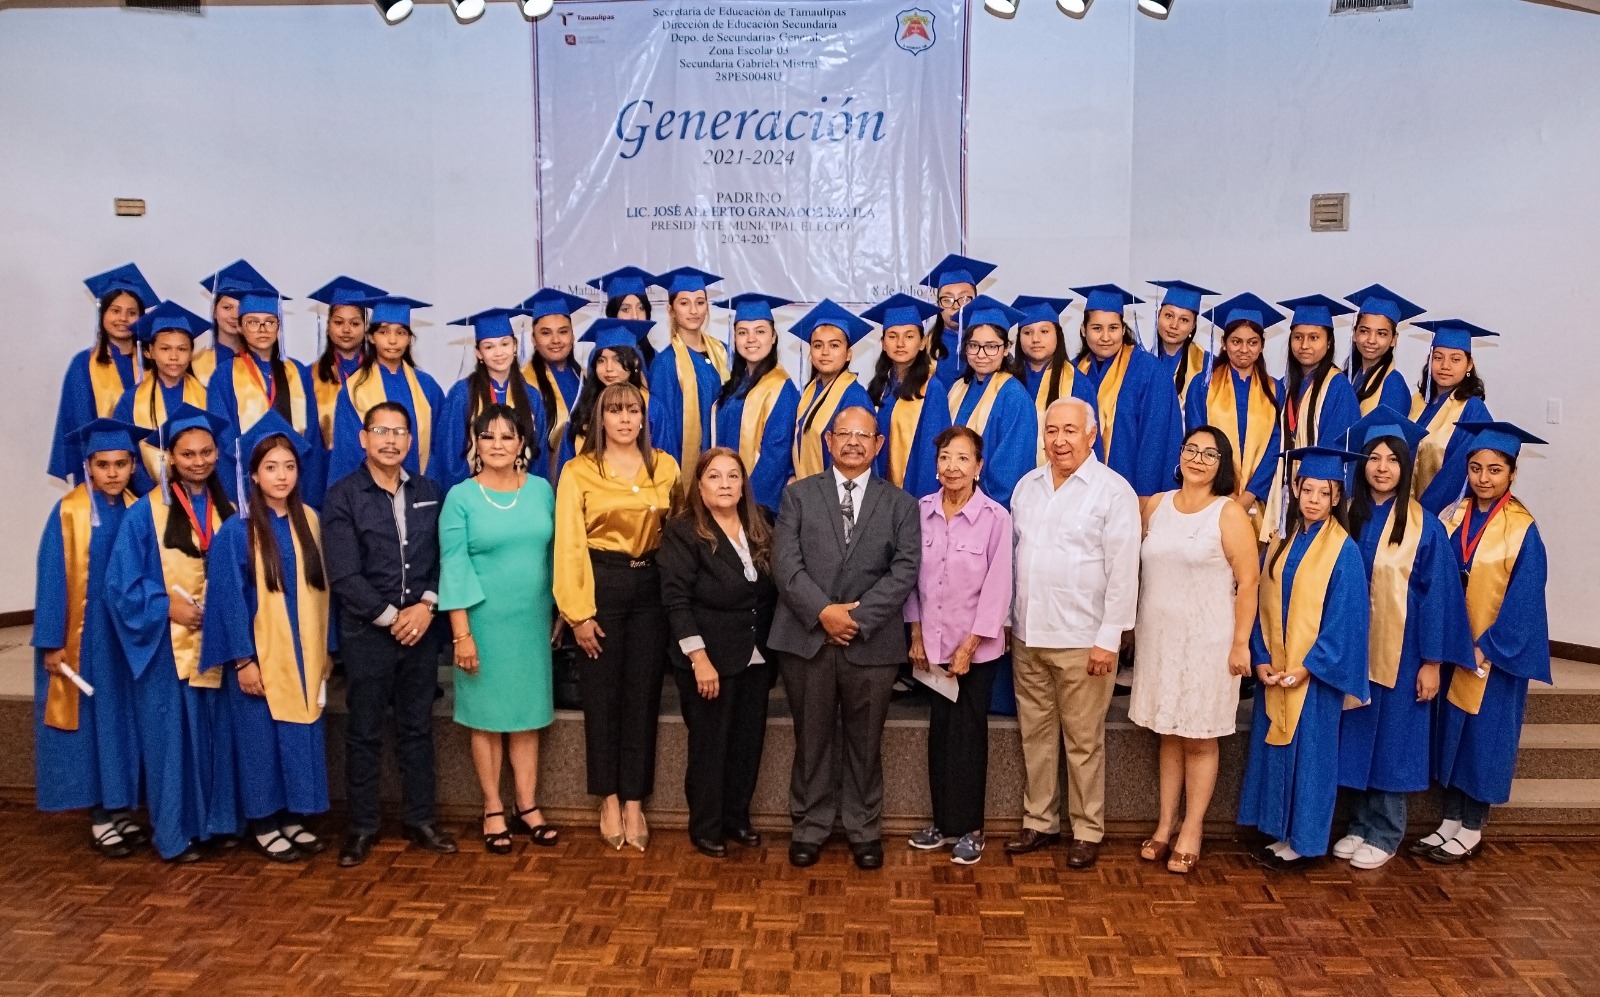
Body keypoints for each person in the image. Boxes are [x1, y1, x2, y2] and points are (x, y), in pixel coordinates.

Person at [770, 405, 920, 870]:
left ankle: (863, 828)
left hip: (871, 644)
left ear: (878, 445)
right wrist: (823, 614)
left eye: (864, 435)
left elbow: (905, 569)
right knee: (811, 739)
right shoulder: (797, 496)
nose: (854, 442)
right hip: (806, 639)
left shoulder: (901, 503)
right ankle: (809, 827)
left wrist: (855, 620)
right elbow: (785, 564)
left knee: (865, 742)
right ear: (829, 442)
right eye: (844, 434)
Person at [1334, 407, 1472, 870]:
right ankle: (1359, 824)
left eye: (1392, 459)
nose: (1382, 467)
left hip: (1405, 652)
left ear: (1406, 465)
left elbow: (1439, 600)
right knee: (1355, 734)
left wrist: (1432, 661)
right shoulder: (1346, 516)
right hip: (1352, 650)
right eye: (1373, 457)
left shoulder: (1424, 526)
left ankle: (1387, 831)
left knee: (1393, 739)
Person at [1006, 397, 1140, 869]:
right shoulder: (1027, 486)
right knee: (1035, 736)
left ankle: (1087, 829)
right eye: (1051, 430)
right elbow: (1014, 560)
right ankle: (1038, 821)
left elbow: (1124, 572)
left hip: (1084, 640)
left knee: (1084, 742)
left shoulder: (1113, 491)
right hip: (1028, 635)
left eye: (1069, 430)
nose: (1059, 440)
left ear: (1092, 433)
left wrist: (1110, 639)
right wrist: (1007, 621)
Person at [322, 401, 457, 866]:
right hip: (368, 633)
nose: (391, 440)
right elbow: (343, 573)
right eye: (381, 431)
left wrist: (426, 606)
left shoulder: (430, 491)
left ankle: (420, 820)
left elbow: (446, 556)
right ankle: (361, 827)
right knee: (363, 733)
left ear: (410, 440)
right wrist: (390, 617)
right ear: (363, 438)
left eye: (400, 432)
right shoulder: (343, 495)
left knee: (417, 730)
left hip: (421, 631)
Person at [105, 405, 241, 862]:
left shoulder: (233, 510)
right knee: (171, 742)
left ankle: (218, 824)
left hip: (220, 643)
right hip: (168, 648)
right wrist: (168, 607)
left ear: (218, 454)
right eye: (187, 455)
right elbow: (120, 585)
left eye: (206, 452)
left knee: (217, 734)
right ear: (170, 458)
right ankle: (175, 834)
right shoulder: (145, 513)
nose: (198, 461)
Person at [200, 412, 334, 862]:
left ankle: (295, 815)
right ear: (253, 474)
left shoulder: (310, 522)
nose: (282, 475)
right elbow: (227, 602)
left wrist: (327, 649)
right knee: (260, 740)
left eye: (290, 466)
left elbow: (325, 592)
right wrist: (243, 660)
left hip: (305, 650)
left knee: (299, 735)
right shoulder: (235, 533)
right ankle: (264, 821)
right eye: (271, 467)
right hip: (261, 654)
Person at [554, 382, 680, 851]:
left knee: (642, 696)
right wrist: (578, 613)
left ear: (644, 418)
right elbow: (568, 545)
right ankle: (607, 797)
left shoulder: (664, 466)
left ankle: (633, 800)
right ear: (599, 419)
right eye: (616, 411)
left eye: (633, 411)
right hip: (600, 586)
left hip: (651, 586)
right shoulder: (578, 470)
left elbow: (678, 533)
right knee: (602, 697)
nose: (625, 419)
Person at [1130, 425, 1259, 874]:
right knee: (1168, 732)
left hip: (1209, 641)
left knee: (1200, 736)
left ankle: (1193, 827)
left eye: (1210, 453)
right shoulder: (1156, 506)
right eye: (1191, 449)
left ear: (1222, 465)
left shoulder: (1228, 513)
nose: (1198, 459)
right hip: (1160, 638)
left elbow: (1249, 582)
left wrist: (1242, 642)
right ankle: (1165, 824)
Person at [1239, 446, 1370, 870]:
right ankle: (1280, 831)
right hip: (1276, 671)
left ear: (1337, 497)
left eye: (1323, 492)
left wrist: (1307, 667)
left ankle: (1306, 841)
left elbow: (1345, 619)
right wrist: (1261, 656)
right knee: (1277, 751)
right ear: (1295, 490)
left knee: (1311, 759)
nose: (1313, 499)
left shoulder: (1344, 551)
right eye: (1306, 489)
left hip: (1313, 678)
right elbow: (1260, 601)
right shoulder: (1280, 540)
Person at [1425, 421, 1549, 864]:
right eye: (1475, 468)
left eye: (1494, 470)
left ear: (1512, 474)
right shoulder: (1452, 516)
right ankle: (1450, 821)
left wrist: (1485, 648)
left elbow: (1524, 601)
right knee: (1452, 737)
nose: (1483, 478)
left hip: (1491, 658)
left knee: (1481, 742)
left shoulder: (1522, 529)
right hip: (1454, 650)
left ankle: (1473, 826)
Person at [441, 403, 561, 854]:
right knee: (488, 719)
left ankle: (527, 805)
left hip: (531, 621)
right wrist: (461, 633)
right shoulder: (461, 497)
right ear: (476, 443)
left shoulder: (542, 491)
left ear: (522, 444)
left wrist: (559, 611)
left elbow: (553, 555)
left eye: (507, 436)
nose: (497, 445)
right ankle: (493, 807)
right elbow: (453, 567)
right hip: (482, 624)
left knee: (527, 716)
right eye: (488, 436)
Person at [34, 418, 147, 857]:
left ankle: (121, 810)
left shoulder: (141, 507)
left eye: (121, 463)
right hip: (84, 639)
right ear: (88, 466)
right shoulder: (69, 511)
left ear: (134, 464)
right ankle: (100, 817)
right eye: (104, 465)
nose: (113, 473)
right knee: (94, 724)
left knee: (122, 721)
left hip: (127, 637)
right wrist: (51, 642)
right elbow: (52, 580)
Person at [658, 447, 777, 858]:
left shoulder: (762, 523)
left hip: (756, 654)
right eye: (714, 477)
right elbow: (676, 601)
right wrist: (699, 659)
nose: (725, 484)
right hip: (707, 658)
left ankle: (736, 818)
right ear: (700, 485)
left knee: (747, 742)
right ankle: (706, 826)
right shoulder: (683, 531)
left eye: (732, 476)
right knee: (710, 745)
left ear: (743, 483)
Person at [904, 427, 1012, 865]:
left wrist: (969, 646)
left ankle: (971, 827)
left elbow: (998, 588)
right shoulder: (919, 511)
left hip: (976, 652)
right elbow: (909, 578)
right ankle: (942, 823)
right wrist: (914, 634)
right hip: (929, 647)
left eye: (963, 459)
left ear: (979, 467)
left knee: (969, 736)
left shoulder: (996, 518)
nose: (953, 467)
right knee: (940, 735)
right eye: (946, 457)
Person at [206, 287, 326, 507]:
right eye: (253, 322)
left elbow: (311, 433)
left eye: (270, 322)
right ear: (240, 327)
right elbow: (224, 434)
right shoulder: (224, 374)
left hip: (292, 477)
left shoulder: (297, 371)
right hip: (247, 477)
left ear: (279, 327)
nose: (262, 329)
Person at [1263, 295, 1363, 540]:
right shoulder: (1288, 387)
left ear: (1329, 343)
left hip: (1316, 498)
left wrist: (1309, 493)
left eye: (1314, 338)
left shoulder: (1337, 387)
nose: (1304, 345)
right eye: (1298, 338)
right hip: (1288, 490)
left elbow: (1333, 451)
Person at [1071, 284, 1182, 498]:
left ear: (1123, 329)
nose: (1105, 337)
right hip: (1079, 493)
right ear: (1084, 330)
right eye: (1096, 328)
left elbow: (1156, 440)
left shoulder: (1149, 370)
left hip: (1133, 493)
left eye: (1113, 328)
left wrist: (1145, 496)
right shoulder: (1074, 371)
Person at [49, 264, 156, 483]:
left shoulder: (152, 362)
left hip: (148, 469)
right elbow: (80, 421)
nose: (123, 319)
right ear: (102, 314)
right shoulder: (83, 364)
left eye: (132, 313)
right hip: (104, 468)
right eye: (115, 310)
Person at [1182, 293, 1283, 517]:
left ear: (1262, 346)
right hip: (1210, 493)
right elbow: (1197, 440)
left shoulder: (1275, 389)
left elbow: (1275, 446)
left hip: (1256, 501)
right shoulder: (1203, 384)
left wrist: (1249, 495)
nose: (1244, 349)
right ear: (1224, 343)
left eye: (1252, 342)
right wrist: (1226, 492)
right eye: (1236, 341)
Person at [330, 295, 445, 485]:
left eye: (401, 333)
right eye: (383, 332)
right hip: (369, 495)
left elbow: (438, 447)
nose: (393, 340)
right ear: (371, 337)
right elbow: (347, 453)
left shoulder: (427, 386)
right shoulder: (354, 389)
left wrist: (428, 489)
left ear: (409, 339)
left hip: (419, 492)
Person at [435, 307, 543, 493]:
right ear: (478, 353)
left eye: (504, 344)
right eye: (489, 347)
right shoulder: (462, 394)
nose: (499, 352)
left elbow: (539, 457)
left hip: (521, 494)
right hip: (475, 495)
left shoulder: (531, 396)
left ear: (515, 346)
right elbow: (450, 458)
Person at [711, 293, 798, 514]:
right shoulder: (734, 386)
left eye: (760, 331)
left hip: (757, 506)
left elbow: (775, 459)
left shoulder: (782, 388)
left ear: (774, 336)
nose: (751, 339)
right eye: (743, 332)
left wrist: (746, 504)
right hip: (723, 498)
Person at [947, 296, 1036, 510]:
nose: (981, 355)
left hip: (990, 510)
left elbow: (1011, 469)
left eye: (991, 346)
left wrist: (977, 507)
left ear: (1006, 349)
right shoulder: (958, 388)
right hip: (952, 502)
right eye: (974, 346)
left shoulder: (1014, 396)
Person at [114, 300, 210, 494]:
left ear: (191, 353)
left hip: (201, 493)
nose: (174, 357)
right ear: (150, 352)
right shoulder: (131, 400)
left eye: (182, 349)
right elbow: (125, 452)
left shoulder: (207, 397)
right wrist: (151, 493)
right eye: (165, 349)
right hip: (147, 496)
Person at [863, 293, 950, 499]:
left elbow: (933, 452)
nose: (900, 343)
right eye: (892, 336)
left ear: (922, 343)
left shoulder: (932, 389)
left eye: (909, 336)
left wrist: (924, 503)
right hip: (878, 497)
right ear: (883, 344)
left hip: (914, 495)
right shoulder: (879, 387)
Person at [647, 267, 728, 478]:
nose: (694, 310)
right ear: (671, 310)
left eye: (700, 302)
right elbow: (663, 428)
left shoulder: (724, 352)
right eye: (684, 303)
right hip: (685, 464)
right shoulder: (665, 363)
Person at [1409, 319, 1495, 514]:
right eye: (1438, 357)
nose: (1445, 366)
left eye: (1455, 359)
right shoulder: (1416, 402)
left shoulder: (1473, 410)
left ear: (1469, 365)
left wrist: (1424, 514)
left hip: (1441, 515)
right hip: (1401, 510)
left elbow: (1457, 472)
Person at [787, 300, 876, 481]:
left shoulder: (854, 397)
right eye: (818, 345)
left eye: (834, 345)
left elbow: (858, 457)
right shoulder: (811, 391)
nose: (825, 352)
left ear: (848, 354)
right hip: (808, 493)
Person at [1007, 295, 1098, 467]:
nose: (1035, 339)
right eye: (1027, 332)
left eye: (1044, 331)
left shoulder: (1078, 383)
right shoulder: (1006, 381)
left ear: (1058, 335)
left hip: (1066, 479)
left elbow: (1091, 443)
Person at [519, 288, 592, 485]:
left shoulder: (588, 377)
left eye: (563, 331)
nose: (556, 340)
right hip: (543, 482)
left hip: (589, 482)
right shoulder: (522, 383)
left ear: (572, 336)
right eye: (545, 333)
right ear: (534, 339)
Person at [307, 276, 386, 450]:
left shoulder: (380, 374)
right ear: (328, 326)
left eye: (355, 323)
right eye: (338, 322)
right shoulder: (309, 376)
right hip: (326, 470)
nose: (346, 330)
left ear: (366, 327)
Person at [568, 318, 654, 458]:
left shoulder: (653, 408)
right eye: (601, 360)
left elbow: (664, 463)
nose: (609, 369)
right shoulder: (585, 407)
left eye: (617, 360)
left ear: (635, 362)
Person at [919, 254, 998, 390]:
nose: (956, 306)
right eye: (947, 299)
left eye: (965, 298)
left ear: (975, 301)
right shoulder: (923, 347)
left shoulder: (994, 347)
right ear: (938, 305)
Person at [1342, 284, 1421, 417]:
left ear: (1393, 339)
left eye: (1381, 334)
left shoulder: (1394, 384)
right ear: (1354, 334)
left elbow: (1389, 435)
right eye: (1364, 331)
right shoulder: (1348, 376)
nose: (1371, 340)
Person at [193, 259, 276, 386]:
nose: (234, 316)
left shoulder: (266, 362)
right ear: (214, 311)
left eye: (241, 308)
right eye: (227, 307)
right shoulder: (194, 363)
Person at [1146, 280, 1218, 399]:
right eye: (1169, 316)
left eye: (1184, 320)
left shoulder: (1208, 365)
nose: (1174, 325)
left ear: (1193, 325)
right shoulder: (1142, 361)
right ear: (1158, 315)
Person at [590, 265, 659, 367]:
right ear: (613, 314)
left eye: (641, 308)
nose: (635, 316)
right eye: (626, 309)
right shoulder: (601, 354)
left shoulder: (655, 356)